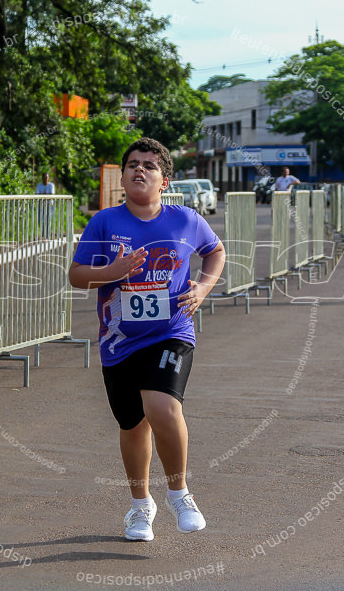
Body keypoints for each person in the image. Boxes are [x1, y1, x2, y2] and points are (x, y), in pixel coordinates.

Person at [68, 137, 226, 541]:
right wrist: (115, 270)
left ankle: (179, 493)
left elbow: (216, 251)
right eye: (133, 164)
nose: (140, 169)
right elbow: (78, 276)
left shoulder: (186, 219)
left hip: (171, 330)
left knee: (161, 405)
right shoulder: (105, 222)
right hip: (118, 340)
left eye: (150, 166)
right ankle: (141, 506)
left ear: (165, 181)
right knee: (133, 423)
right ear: (122, 177)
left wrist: (203, 289)